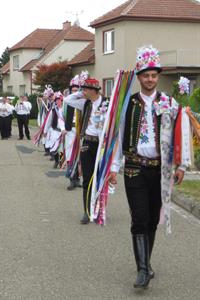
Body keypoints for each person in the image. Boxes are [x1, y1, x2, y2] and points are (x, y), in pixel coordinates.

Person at [109, 46, 190, 289]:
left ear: (157, 76)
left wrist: (182, 165)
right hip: (134, 167)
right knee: (140, 218)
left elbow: (181, 132)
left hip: (160, 170)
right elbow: (118, 135)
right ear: (138, 76)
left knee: (153, 219)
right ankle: (143, 269)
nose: (150, 79)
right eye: (146, 75)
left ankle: (147, 262)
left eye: (154, 75)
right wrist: (113, 167)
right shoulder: (128, 104)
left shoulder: (170, 102)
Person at [64, 77, 109, 225]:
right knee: (87, 177)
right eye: (82, 89)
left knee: (100, 178)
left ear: (93, 90)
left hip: (102, 145)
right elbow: (68, 100)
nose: (83, 91)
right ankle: (87, 211)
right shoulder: (85, 103)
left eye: (85, 89)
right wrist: (80, 94)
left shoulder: (107, 103)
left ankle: (99, 209)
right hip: (88, 143)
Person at [64, 75, 83, 190]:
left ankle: (78, 179)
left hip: (80, 131)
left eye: (77, 90)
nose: (74, 92)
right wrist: (64, 129)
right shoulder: (67, 103)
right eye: (73, 90)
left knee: (80, 156)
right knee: (71, 154)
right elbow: (62, 118)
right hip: (70, 131)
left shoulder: (83, 103)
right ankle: (72, 179)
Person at [43, 92, 65, 168]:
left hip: (63, 132)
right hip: (55, 131)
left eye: (60, 100)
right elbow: (48, 121)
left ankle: (61, 162)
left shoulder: (66, 110)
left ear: (62, 100)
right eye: (57, 100)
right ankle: (56, 160)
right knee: (53, 148)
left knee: (62, 148)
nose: (58, 102)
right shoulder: (53, 110)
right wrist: (45, 131)